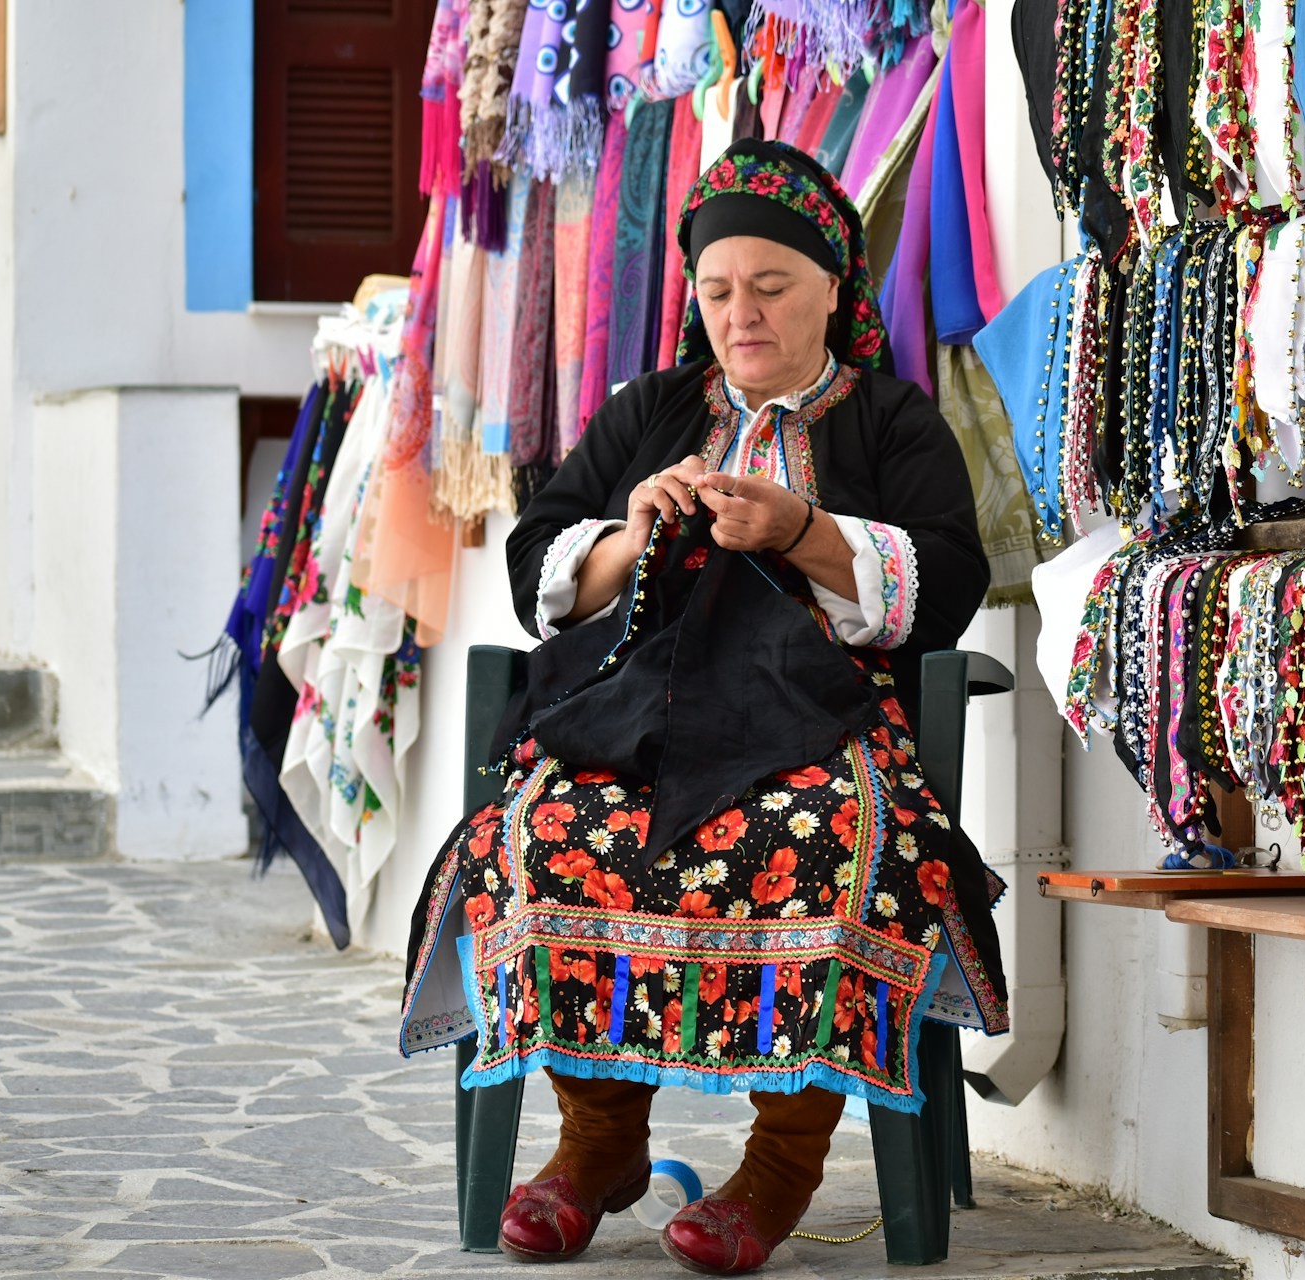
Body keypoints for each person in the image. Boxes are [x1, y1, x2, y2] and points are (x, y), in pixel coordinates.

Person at [398, 139, 1007, 1275]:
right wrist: (636, 530)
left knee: (830, 845)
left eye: (772, 287)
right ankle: (597, 1145)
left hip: (826, 726)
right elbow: (539, 561)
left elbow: (950, 582)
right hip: (631, 716)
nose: (744, 312)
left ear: (833, 286)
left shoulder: (890, 421)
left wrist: (800, 532)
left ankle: (777, 1169)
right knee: (543, 835)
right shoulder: (651, 410)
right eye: (719, 291)